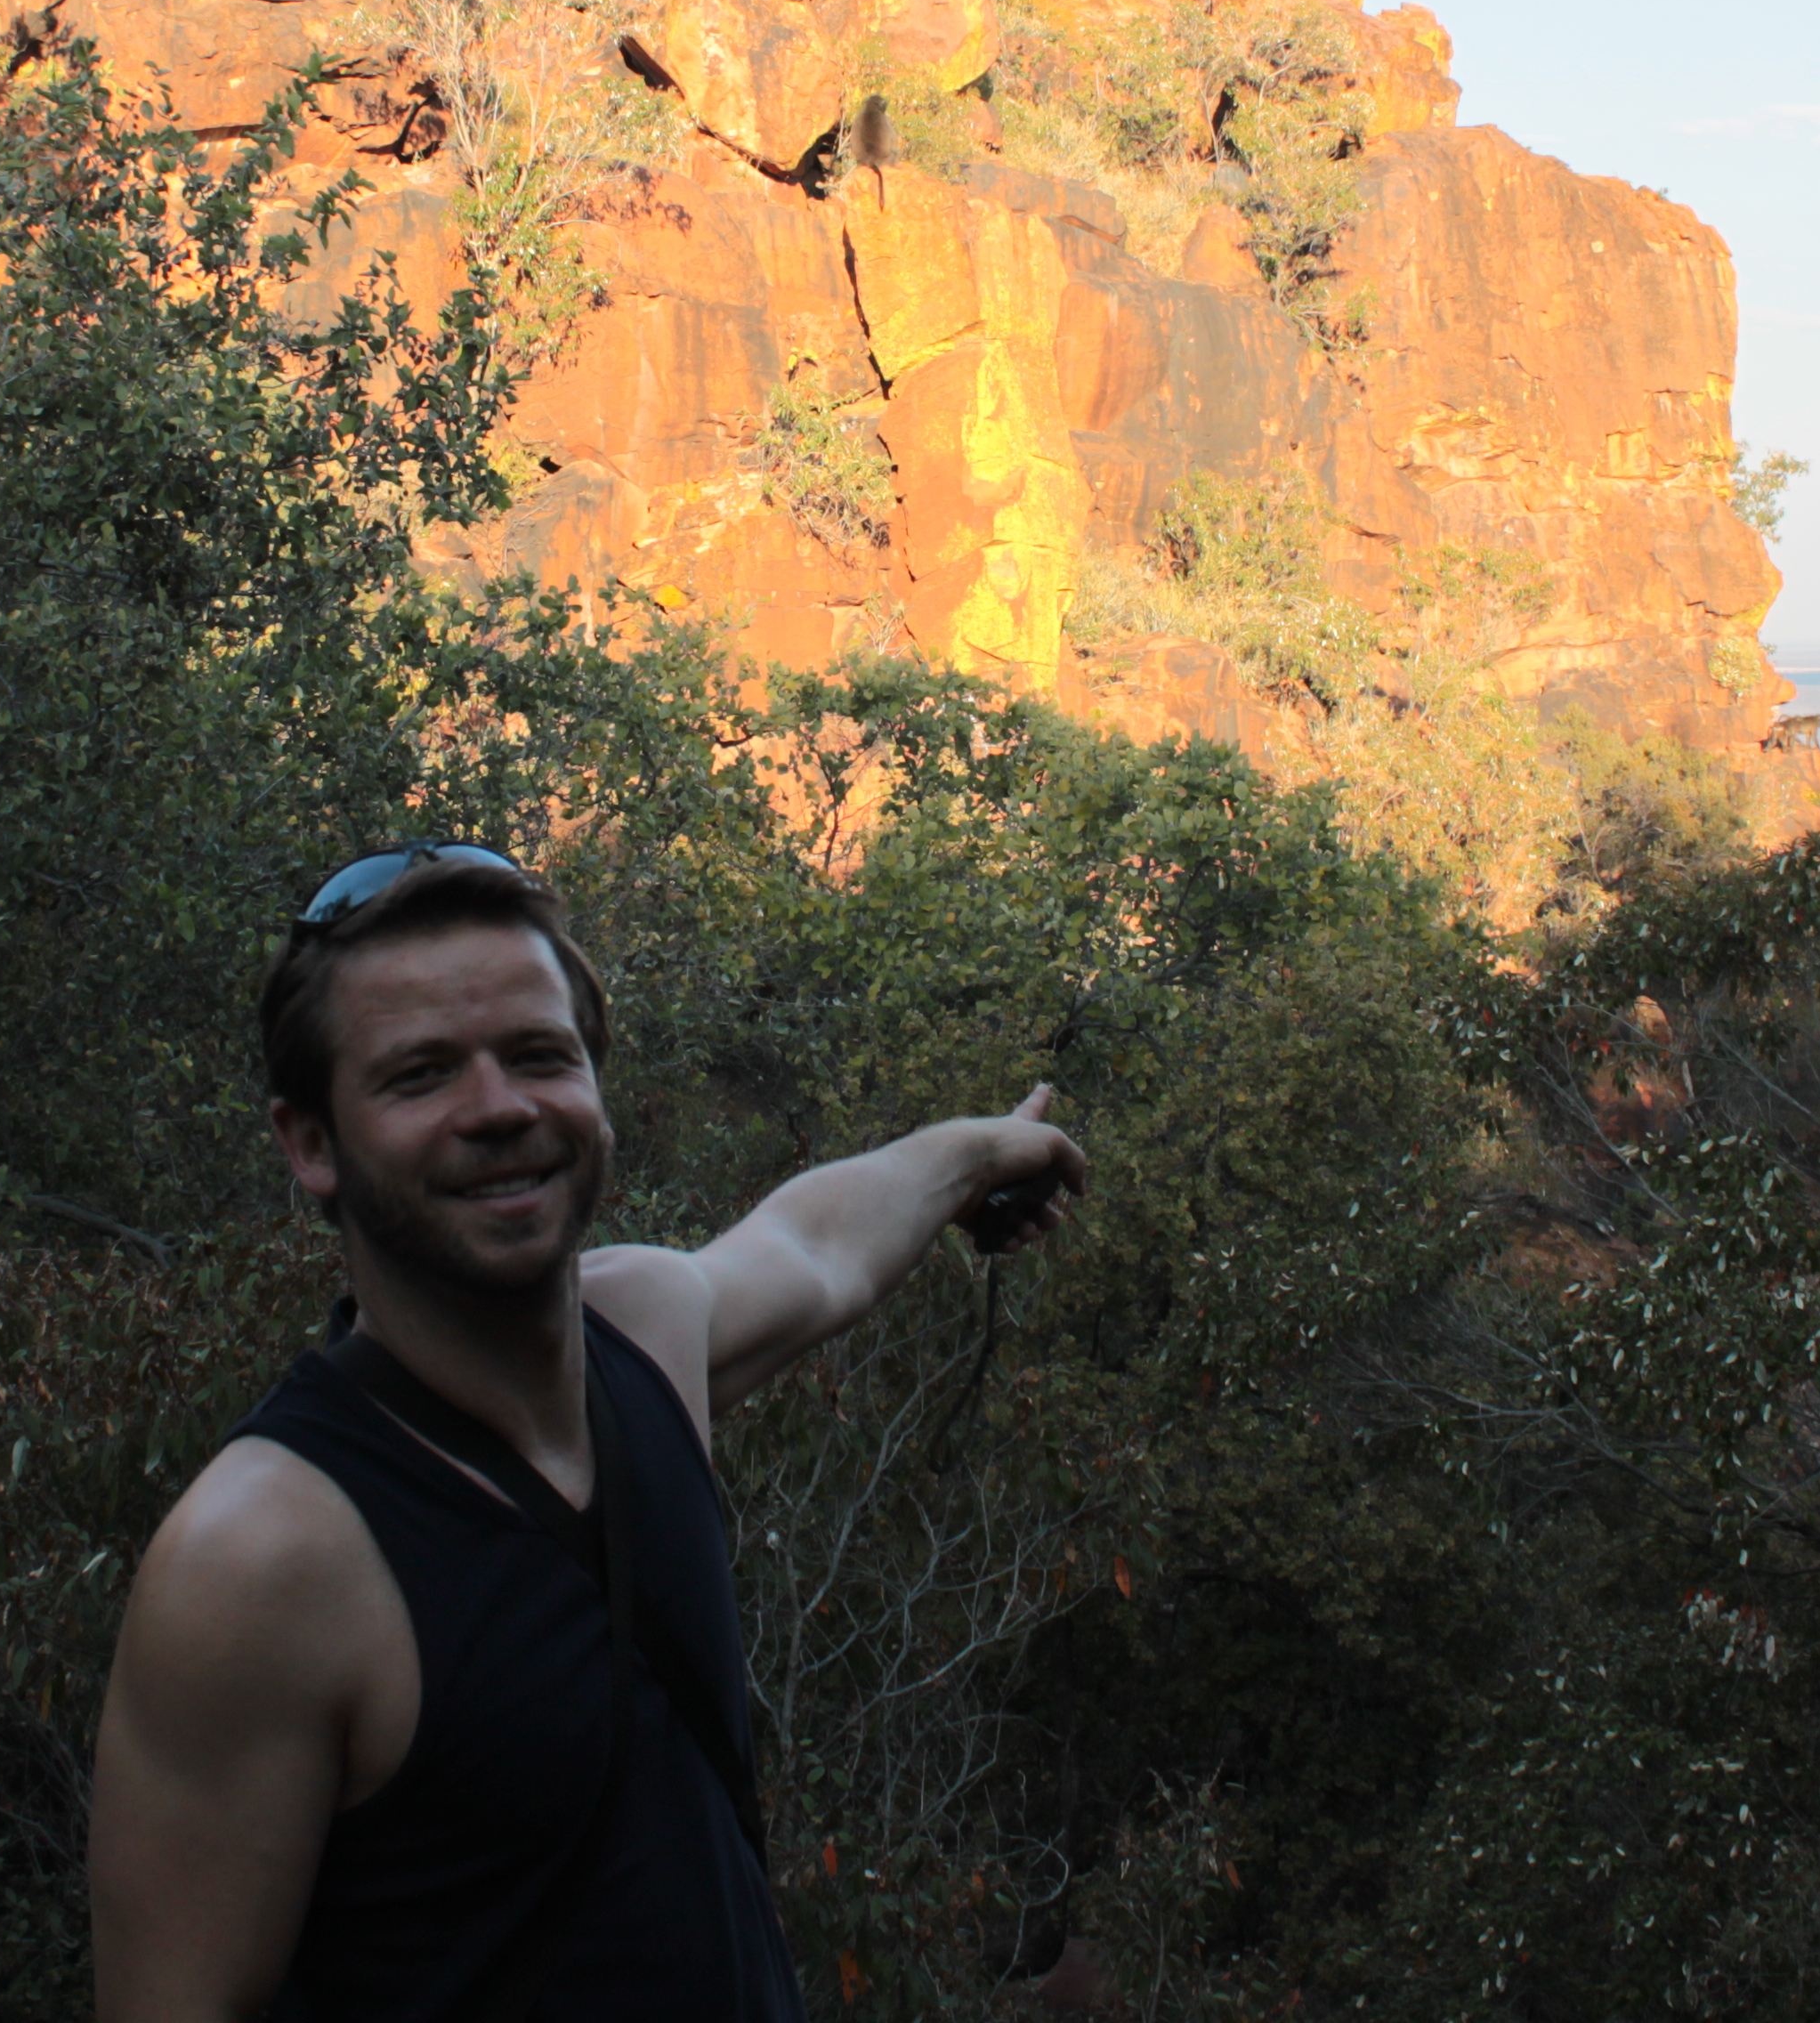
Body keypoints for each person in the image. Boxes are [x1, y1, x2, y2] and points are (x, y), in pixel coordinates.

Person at [90, 844, 1087, 2023]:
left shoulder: (647, 1338)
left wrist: (974, 1154)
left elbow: (816, 1248)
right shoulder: (266, 1559)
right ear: (311, 1144)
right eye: (420, 1076)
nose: (500, 1108)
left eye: (539, 1056)